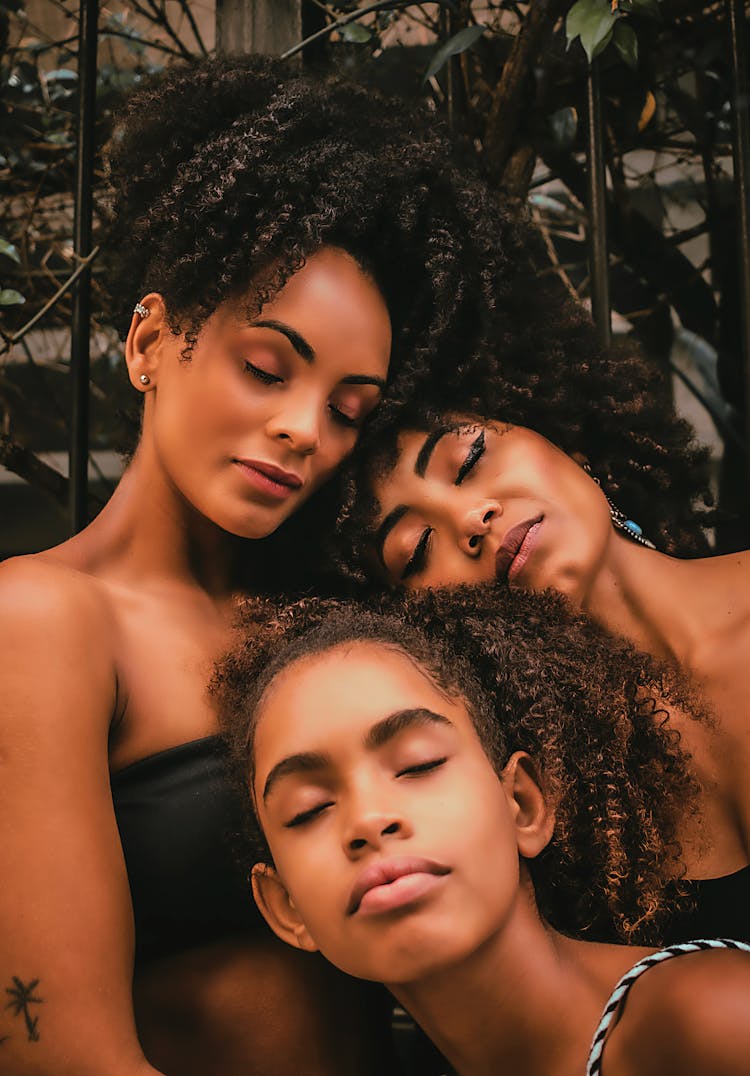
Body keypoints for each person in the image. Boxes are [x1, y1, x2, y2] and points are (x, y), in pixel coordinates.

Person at [0, 54, 553, 1076]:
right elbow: (57, 1048)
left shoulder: (337, 610)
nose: (304, 430)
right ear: (150, 341)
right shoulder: (43, 619)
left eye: (350, 408)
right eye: (266, 367)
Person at [216, 588, 750, 1076]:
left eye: (418, 765)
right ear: (285, 906)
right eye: (309, 809)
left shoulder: (713, 1021)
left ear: (522, 804)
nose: (368, 820)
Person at [337, 410, 750, 942]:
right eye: (417, 549)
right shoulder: (534, 803)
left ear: (566, 440)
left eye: (469, 461)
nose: (469, 517)